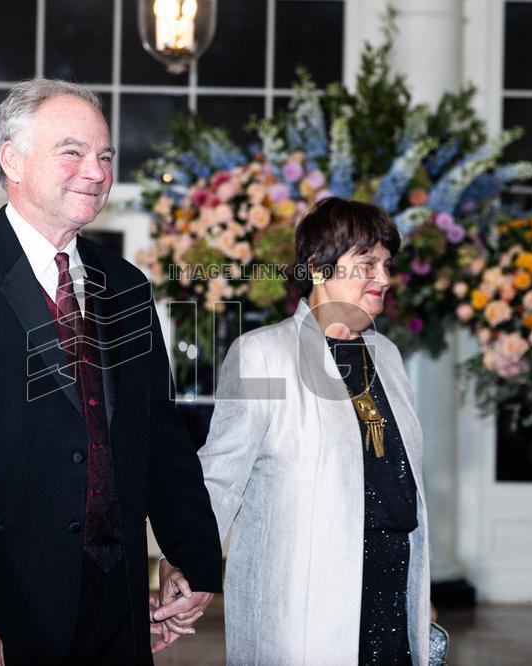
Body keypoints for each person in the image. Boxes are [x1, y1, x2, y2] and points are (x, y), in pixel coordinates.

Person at [0, 78, 221, 665]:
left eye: (105, 156)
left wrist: (191, 554)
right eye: (73, 152)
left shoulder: (127, 287)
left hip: (115, 609)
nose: (96, 170)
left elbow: (157, 438)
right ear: (12, 159)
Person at [162, 197, 432, 663]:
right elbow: (220, 476)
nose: (384, 278)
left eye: (387, 265)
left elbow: (399, 480)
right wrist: (184, 563)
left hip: (390, 593)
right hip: (304, 605)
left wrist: (419, 597)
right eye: (366, 263)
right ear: (319, 268)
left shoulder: (387, 355)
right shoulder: (262, 355)